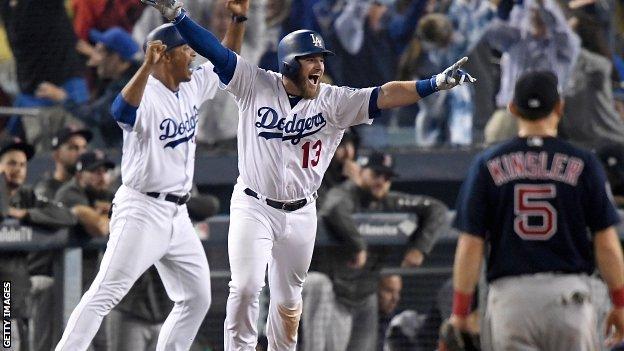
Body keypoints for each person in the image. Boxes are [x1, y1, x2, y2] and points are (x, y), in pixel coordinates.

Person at [141, 0, 475, 349]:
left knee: (288, 302)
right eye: (311, 59)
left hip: (301, 211)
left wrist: (433, 83)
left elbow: (385, 94)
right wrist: (179, 16)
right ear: (289, 63)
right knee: (244, 288)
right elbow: (216, 52)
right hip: (254, 205)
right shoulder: (256, 84)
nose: (319, 65)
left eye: (321, 59)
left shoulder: (333, 100)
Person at [54, 1, 249, 349]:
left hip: (178, 214)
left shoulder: (190, 85)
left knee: (197, 297)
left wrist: (238, 18)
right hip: (142, 210)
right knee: (104, 294)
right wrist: (146, 67)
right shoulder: (147, 93)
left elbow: (225, 59)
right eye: (187, 51)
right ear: (166, 57)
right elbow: (120, 110)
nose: (192, 56)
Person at [449, 71, 624, 350]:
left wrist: (459, 311)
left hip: (511, 299)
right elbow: (606, 242)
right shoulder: (585, 163)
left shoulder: (487, 164)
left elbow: (471, 244)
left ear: (512, 108)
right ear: (559, 107)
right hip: (568, 299)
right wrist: (620, 302)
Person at [303, 151, 448, 351]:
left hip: (366, 295)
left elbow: (437, 209)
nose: (381, 181)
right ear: (361, 172)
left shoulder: (390, 202)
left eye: (387, 177)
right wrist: (358, 245)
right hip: (338, 295)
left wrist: (420, 248)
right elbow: (334, 208)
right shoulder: (345, 193)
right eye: (376, 174)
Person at [0, 138, 77, 351]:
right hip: (6, 293)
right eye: (11, 163)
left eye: (23, 165)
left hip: (13, 294)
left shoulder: (26, 196)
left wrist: (24, 214)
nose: (18, 169)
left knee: (15, 341)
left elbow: (66, 216)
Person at [28, 126, 91, 351]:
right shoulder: (46, 188)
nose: (80, 152)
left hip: (76, 279)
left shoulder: (86, 189)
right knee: (43, 344)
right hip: (46, 277)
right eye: (73, 148)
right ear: (56, 154)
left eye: (83, 147)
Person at [35, 27, 141, 148]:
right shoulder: (127, 79)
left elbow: (93, 115)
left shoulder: (130, 89)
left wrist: (62, 97)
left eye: (99, 51)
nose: (93, 56)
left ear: (116, 58)